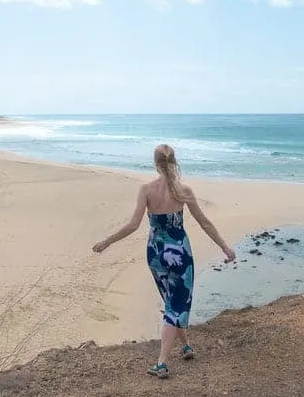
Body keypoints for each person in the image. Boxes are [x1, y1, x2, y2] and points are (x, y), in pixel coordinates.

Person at [91, 144, 236, 379]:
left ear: (156, 163)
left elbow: (133, 225)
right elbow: (205, 223)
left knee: (171, 301)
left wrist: (107, 241)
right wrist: (225, 247)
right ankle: (161, 363)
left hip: (156, 253)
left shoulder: (146, 190)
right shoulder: (183, 191)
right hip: (179, 253)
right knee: (176, 304)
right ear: (174, 162)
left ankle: (186, 346)